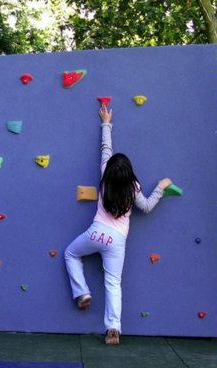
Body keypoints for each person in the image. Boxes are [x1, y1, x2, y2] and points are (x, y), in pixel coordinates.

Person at [65, 105, 172, 345]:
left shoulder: (105, 175)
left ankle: (82, 292)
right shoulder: (134, 188)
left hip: (96, 233)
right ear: (129, 174)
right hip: (117, 241)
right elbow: (145, 207)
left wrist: (106, 122)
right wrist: (160, 188)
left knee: (71, 253)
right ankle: (113, 328)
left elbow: (106, 149)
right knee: (113, 283)